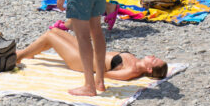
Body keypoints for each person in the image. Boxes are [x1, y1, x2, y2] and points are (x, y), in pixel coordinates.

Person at [16, 27, 167, 82]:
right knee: (56, 32)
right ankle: (30, 52)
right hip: (88, 52)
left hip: (81, 61)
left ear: (149, 70)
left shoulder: (131, 71)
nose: (153, 56)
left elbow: (103, 76)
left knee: (50, 36)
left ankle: (19, 56)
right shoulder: (135, 62)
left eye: (154, 60)